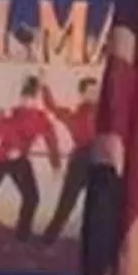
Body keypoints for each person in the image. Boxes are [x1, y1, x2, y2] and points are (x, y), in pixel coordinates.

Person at [0, 76, 63, 239]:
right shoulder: (11, 113)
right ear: (21, 97)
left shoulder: (41, 119)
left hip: (19, 161)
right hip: (0, 158)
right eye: (25, 97)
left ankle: (22, 236)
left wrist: (56, 165)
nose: (28, 101)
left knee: (32, 198)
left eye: (32, 98)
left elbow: (52, 141)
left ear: (37, 99)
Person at [39, 77, 98, 241]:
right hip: (80, 160)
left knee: (102, 204)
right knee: (66, 203)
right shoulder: (72, 115)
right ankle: (47, 240)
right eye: (91, 91)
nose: (95, 94)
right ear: (83, 94)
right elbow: (51, 106)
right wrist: (44, 84)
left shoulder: (105, 113)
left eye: (96, 91)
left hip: (99, 158)